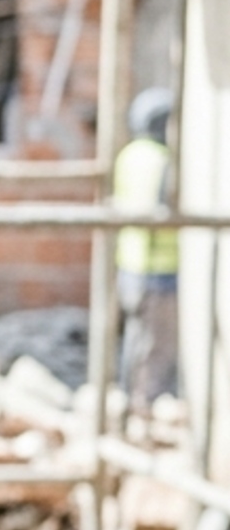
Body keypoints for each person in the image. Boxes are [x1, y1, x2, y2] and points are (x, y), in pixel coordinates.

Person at [113, 86, 179, 412]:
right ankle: (146, 410)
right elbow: (164, 208)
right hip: (159, 268)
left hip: (130, 265)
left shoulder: (129, 155)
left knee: (135, 341)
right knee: (156, 348)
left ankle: (127, 403)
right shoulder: (162, 159)